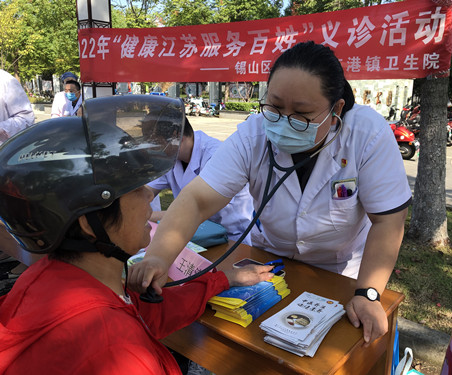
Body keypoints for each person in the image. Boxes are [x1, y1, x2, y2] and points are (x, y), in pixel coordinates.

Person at [129, 41, 412, 347]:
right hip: (271, 262)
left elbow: (388, 220)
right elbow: (196, 200)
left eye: (302, 113)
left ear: (336, 110)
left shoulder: (366, 133)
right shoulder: (253, 135)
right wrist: (157, 258)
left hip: (341, 272)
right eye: (275, 108)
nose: (284, 121)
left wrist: (367, 293)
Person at [0, 95, 274, 374]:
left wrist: (222, 280)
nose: (149, 196)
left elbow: (147, 315)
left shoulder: (56, 278)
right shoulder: (119, 354)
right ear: (88, 223)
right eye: (135, 189)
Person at [148, 118, 254, 244]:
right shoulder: (172, 157)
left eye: (158, 144)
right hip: (199, 233)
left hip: (233, 237)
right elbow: (148, 191)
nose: (156, 150)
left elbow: (196, 210)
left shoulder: (216, 155)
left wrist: (145, 216)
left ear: (176, 137)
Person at [0, 69, 35, 277]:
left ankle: (27, 261)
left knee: (12, 214)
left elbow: (26, 117)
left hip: (5, 160)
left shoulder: (5, 81)